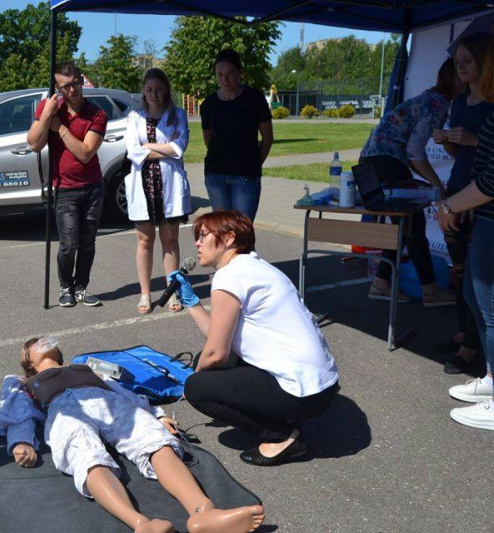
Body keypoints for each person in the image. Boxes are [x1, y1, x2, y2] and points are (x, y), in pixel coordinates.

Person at [0, 337, 266, 533]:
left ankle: (204, 512)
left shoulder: (83, 367)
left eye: (45, 341)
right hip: (64, 411)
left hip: (107, 402)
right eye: (35, 345)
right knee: (88, 458)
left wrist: (157, 416)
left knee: (155, 441)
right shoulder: (23, 382)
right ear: (28, 361)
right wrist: (21, 441)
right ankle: (142, 524)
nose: (42, 343)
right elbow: (16, 409)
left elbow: (124, 392)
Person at [171, 211, 339, 466]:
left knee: (197, 388)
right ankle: (282, 416)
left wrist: (194, 378)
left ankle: (281, 436)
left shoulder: (229, 276)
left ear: (229, 238)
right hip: (321, 385)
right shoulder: (252, 266)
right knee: (207, 365)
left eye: (203, 235)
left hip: (304, 393)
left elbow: (216, 353)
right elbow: (217, 338)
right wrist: (192, 302)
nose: (197, 243)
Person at [363, 57, 463, 307]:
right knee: (413, 223)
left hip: (370, 163)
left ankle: (381, 283)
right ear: (450, 77)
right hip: (386, 162)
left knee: (403, 225)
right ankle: (430, 290)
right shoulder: (438, 102)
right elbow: (414, 151)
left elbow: (408, 148)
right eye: (461, 72)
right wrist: (436, 184)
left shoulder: (431, 98)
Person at [435, 39, 494, 433]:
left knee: (489, 306)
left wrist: (452, 204)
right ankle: (490, 380)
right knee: (474, 295)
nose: (462, 67)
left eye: (470, 61)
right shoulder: (465, 103)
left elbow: (491, 177)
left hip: (485, 210)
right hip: (482, 210)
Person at [27, 62, 107, 308]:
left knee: (87, 242)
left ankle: (81, 287)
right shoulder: (50, 108)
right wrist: (47, 116)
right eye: (65, 86)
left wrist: (58, 127)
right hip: (64, 189)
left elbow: (85, 153)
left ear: (82, 80)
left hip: (93, 187)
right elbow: (34, 144)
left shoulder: (97, 114)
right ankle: (66, 288)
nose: (72, 90)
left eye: (75, 83)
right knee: (68, 243)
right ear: (57, 88)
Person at [125, 68, 191, 314]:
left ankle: (171, 291)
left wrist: (148, 146)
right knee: (144, 240)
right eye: (149, 89)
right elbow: (133, 152)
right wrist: (165, 147)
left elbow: (179, 147)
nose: (154, 94)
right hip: (143, 186)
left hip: (169, 186)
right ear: (144, 91)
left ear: (167, 90)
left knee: (170, 240)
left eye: (159, 89)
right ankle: (145, 293)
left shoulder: (178, 116)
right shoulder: (134, 118)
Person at [200, 49, 273, 221]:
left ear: (240, 72)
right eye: (220, 74)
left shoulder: (255, 99)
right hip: (216, 176)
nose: (224, 80)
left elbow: (268, 138)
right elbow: (209, 140)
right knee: (222, 232)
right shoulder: (209, 104)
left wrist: (253, 163)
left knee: (242, 234)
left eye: (230, 73)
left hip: (246, 177)